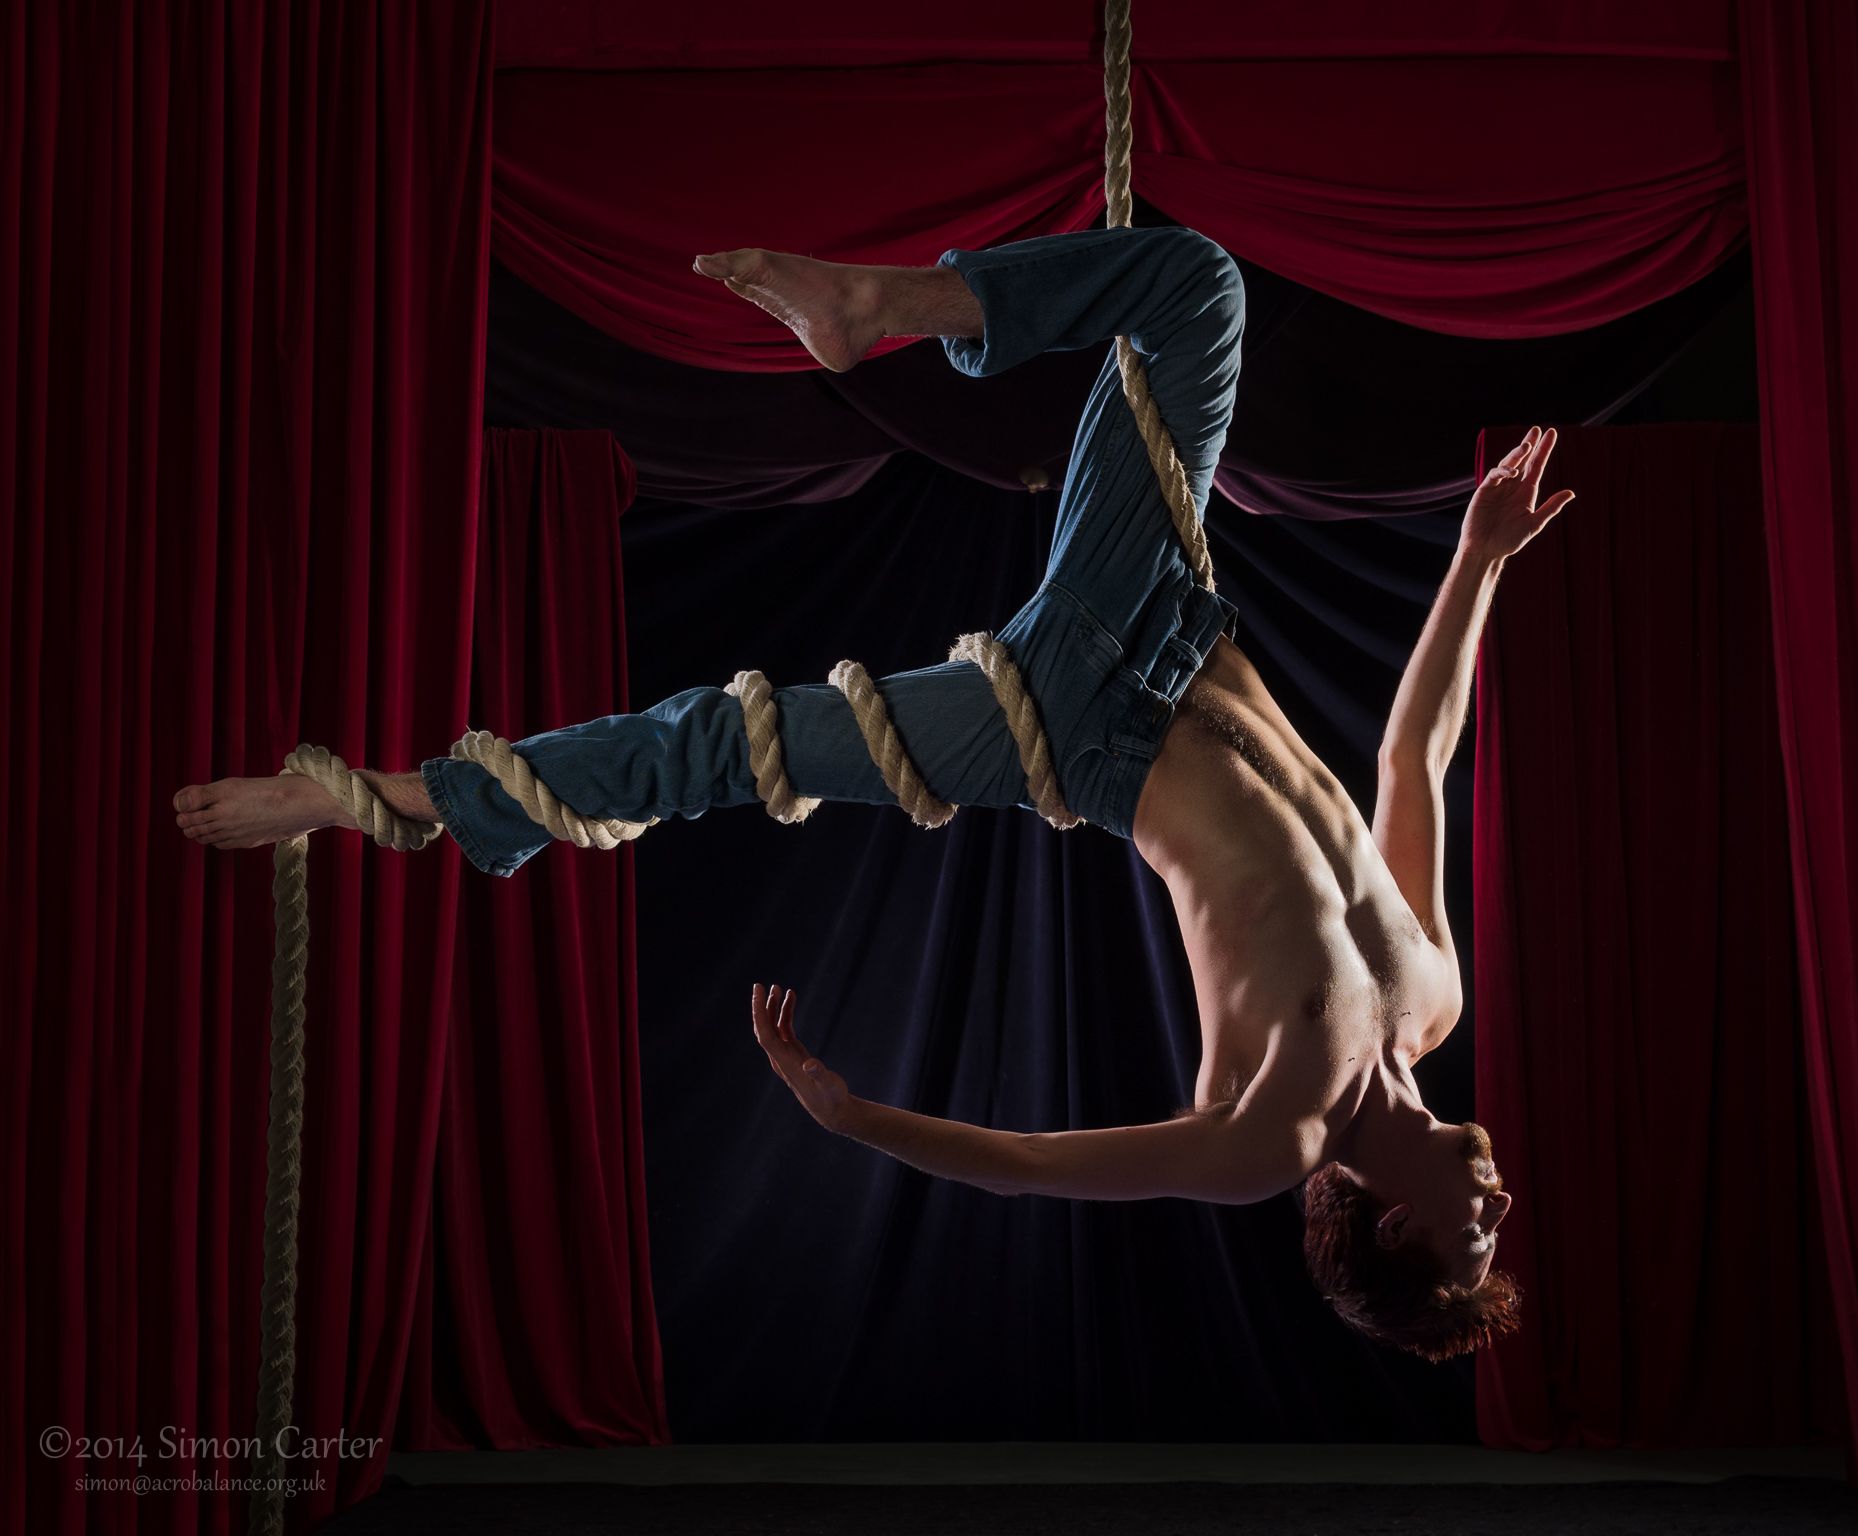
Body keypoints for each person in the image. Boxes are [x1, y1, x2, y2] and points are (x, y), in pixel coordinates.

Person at [172, 228, 1571, 1360]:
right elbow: (1413, 760)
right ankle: (882, 307)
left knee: (725, 742)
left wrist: (856, 1119)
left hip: (1075, 732)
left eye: (1476, 1240)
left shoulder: (1277, 1133)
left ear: (1392, 1224)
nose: (1501, 1206)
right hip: (1170, 623)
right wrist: (1480, 560)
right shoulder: (1432, 990)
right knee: (1193, 289)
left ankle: (373, 801)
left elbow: (1030, 1165)